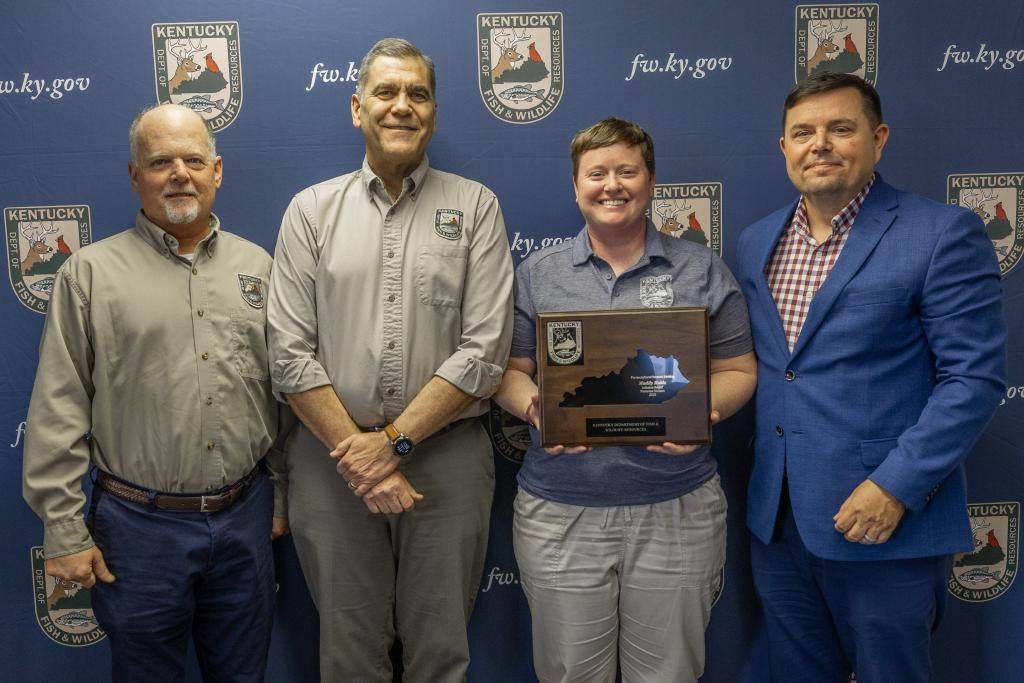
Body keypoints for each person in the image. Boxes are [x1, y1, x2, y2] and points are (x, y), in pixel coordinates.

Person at [734, 72, 1007, 682]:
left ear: (878, 139)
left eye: (841, 128)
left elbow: (975, 379)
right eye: (802, 133)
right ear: (784, 149)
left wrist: (895, 487)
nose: (820, 144)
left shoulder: (940, 234)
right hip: (778, 525)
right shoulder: (756, 244)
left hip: (884, 521)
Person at [266, 37, 513, 681]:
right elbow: (290, 355)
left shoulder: (477, 206)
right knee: (348, 655)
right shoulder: (310, 212)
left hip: (448, 458)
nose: (401, 106)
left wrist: (394, 444)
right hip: (331, 462)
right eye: (386, 92)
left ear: (433, 111)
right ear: (357, 108)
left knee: (439, 652)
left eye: (418, 93)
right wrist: (364, 456)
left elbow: (485, 351)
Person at [22, 103, 286, 682]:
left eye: (194, 160)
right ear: (135, 175)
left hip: (246, 518)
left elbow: (284, 394)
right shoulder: (88, 275)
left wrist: (283, 496)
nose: (179, 174)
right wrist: (65, 531)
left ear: (217, 170)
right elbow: (57, 410)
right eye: (160, 161)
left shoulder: (260, 269)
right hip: (137, 531)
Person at [494, 117, 757, 683]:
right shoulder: (537, 275)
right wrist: (538, 409)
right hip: (561, 511)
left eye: (626, 171)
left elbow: (738, 369)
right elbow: (510, 373)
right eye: (596, 173)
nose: (611, 185)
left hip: (676, 509)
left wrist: (706, 412)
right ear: (576, 186)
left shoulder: (701, 270)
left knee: (669, 675)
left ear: (651, 179)